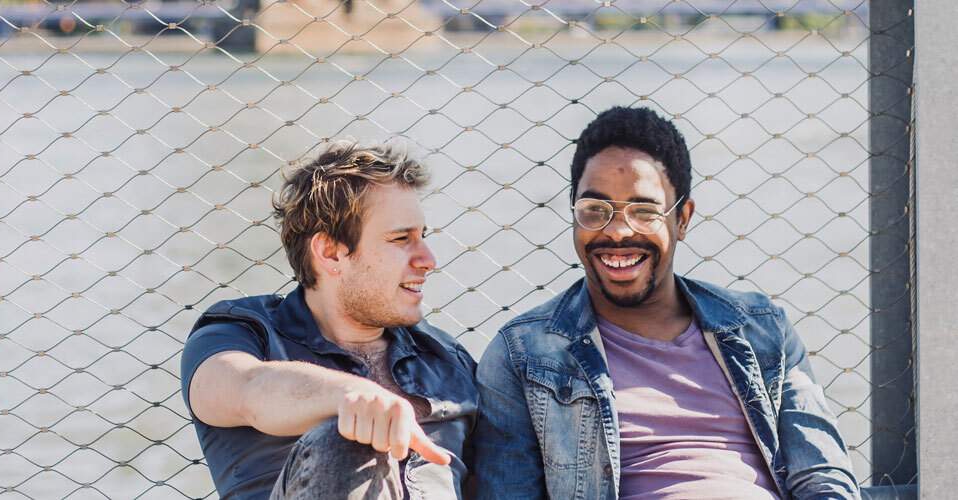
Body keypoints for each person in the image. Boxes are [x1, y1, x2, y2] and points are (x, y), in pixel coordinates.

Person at [470, 106, 859, 499]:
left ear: (683, 219)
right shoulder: (523, 355)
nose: (618, 231)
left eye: (644, 212)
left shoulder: (762, 329)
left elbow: (823, 477)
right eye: (595, 211)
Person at [181, 141, 477, 499]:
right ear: (331, 253)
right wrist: (353, 395)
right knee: (350, 436)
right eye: (401, 238)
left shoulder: (447, 358)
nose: (428, 259)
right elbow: (245, 389)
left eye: (422, 238)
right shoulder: (244, 334)